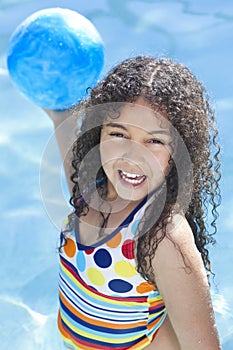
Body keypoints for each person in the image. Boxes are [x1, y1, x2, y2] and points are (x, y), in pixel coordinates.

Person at [46, 56, 222, 349]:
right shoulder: (93, 190)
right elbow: (72, 167)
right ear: (97, 135)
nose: (131, 155)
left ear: (177, 154)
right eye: (118, 133)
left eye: (154, 141)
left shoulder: (162, 236)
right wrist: (59, 114)